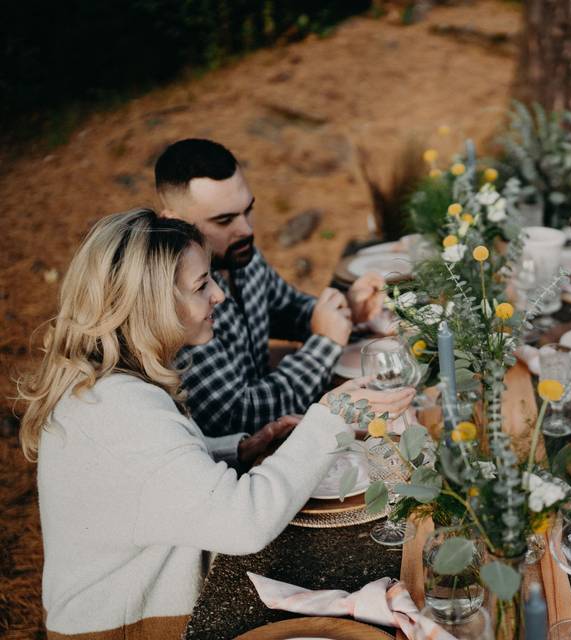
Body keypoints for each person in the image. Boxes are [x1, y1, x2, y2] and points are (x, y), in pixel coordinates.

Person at [16, 209, 412, 639]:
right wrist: (329, 417)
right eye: (202, 285)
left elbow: (150, 478)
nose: (219, 295)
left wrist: (236, 448)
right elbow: (244, 524)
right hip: (132, 628)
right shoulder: (119, 409)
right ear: (151, 305)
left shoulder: (111, 384)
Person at [155, 138, 386, 436]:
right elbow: (239, 417)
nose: (247, 230)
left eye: (247, 211)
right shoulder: (174, 299)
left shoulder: (241, 256)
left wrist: (346, 308)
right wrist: (324, 345)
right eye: (224, 220)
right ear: (175, 222)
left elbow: (287, 310)